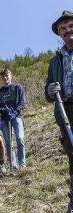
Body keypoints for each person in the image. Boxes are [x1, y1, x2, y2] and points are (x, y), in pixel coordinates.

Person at [46, 10, 73, 176]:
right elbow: (47, 93)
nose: (68, 30)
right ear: (59, 33)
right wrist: (49, 91)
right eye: (63, 28)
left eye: (71, 26)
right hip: (65, 111)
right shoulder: (55, 61)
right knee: (71, 152)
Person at [0, 68, 26, 170]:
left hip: (16, 117)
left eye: (7, 76)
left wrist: (15, 112)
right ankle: (13, 165)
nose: (5, 78)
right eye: (3, 76)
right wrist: (3, 110)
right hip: (5, 119)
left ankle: (22, 164)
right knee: (8, 143)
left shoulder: (18, 87)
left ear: (10, 76)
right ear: (1, 78)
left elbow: (22, 102)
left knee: (20, 138)